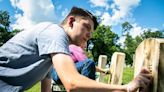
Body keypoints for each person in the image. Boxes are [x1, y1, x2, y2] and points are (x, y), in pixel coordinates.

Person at [0, 6, 152, 92]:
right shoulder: (54, 32)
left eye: (92, 33)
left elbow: (46, 83)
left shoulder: (53, 51)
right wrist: (126, 87)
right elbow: (72, 84)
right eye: (87, 28)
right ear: (71, 21)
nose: (89, 35)